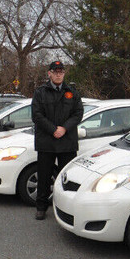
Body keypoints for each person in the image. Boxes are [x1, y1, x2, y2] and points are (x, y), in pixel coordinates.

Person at [31, 61, 84, 220]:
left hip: (67, 142)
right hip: (46, 142)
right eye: (55, 72)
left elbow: (78, 113)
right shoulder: (40, 92)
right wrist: (53, 129)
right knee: (44, 177)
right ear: (49, 74)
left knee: (67, 178)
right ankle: (41, 207)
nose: (58, 74)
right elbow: (37, 115)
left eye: (61, 72)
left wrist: (64, 128)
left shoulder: (72, 92)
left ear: (64, 73)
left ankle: (66, 208)